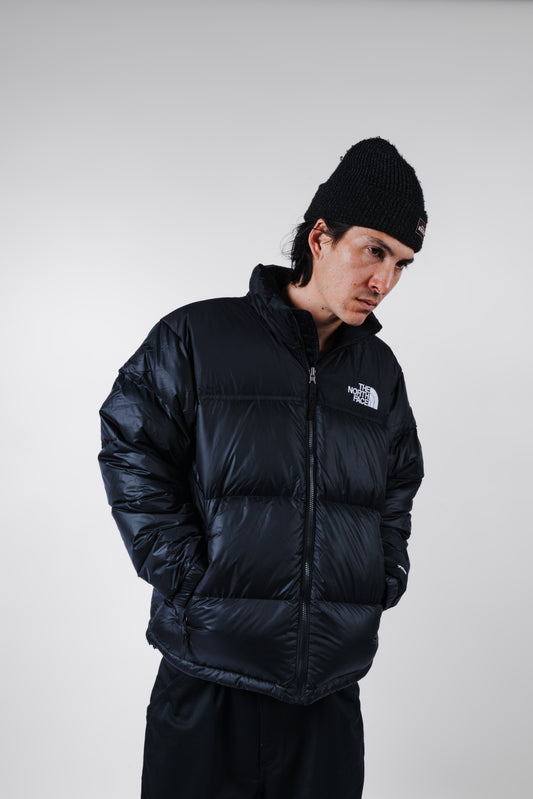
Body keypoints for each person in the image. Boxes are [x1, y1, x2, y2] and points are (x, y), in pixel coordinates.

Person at [98, 137, 426, 799]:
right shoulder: (197, 337)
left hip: (328, 689)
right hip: (208, 675)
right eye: (373, 251)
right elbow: (131, 442)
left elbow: (398, 481)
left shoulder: (377, 371)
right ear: (320, 237)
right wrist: (187, 572)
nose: (384, 282)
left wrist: (382, 571)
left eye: (401, 263)